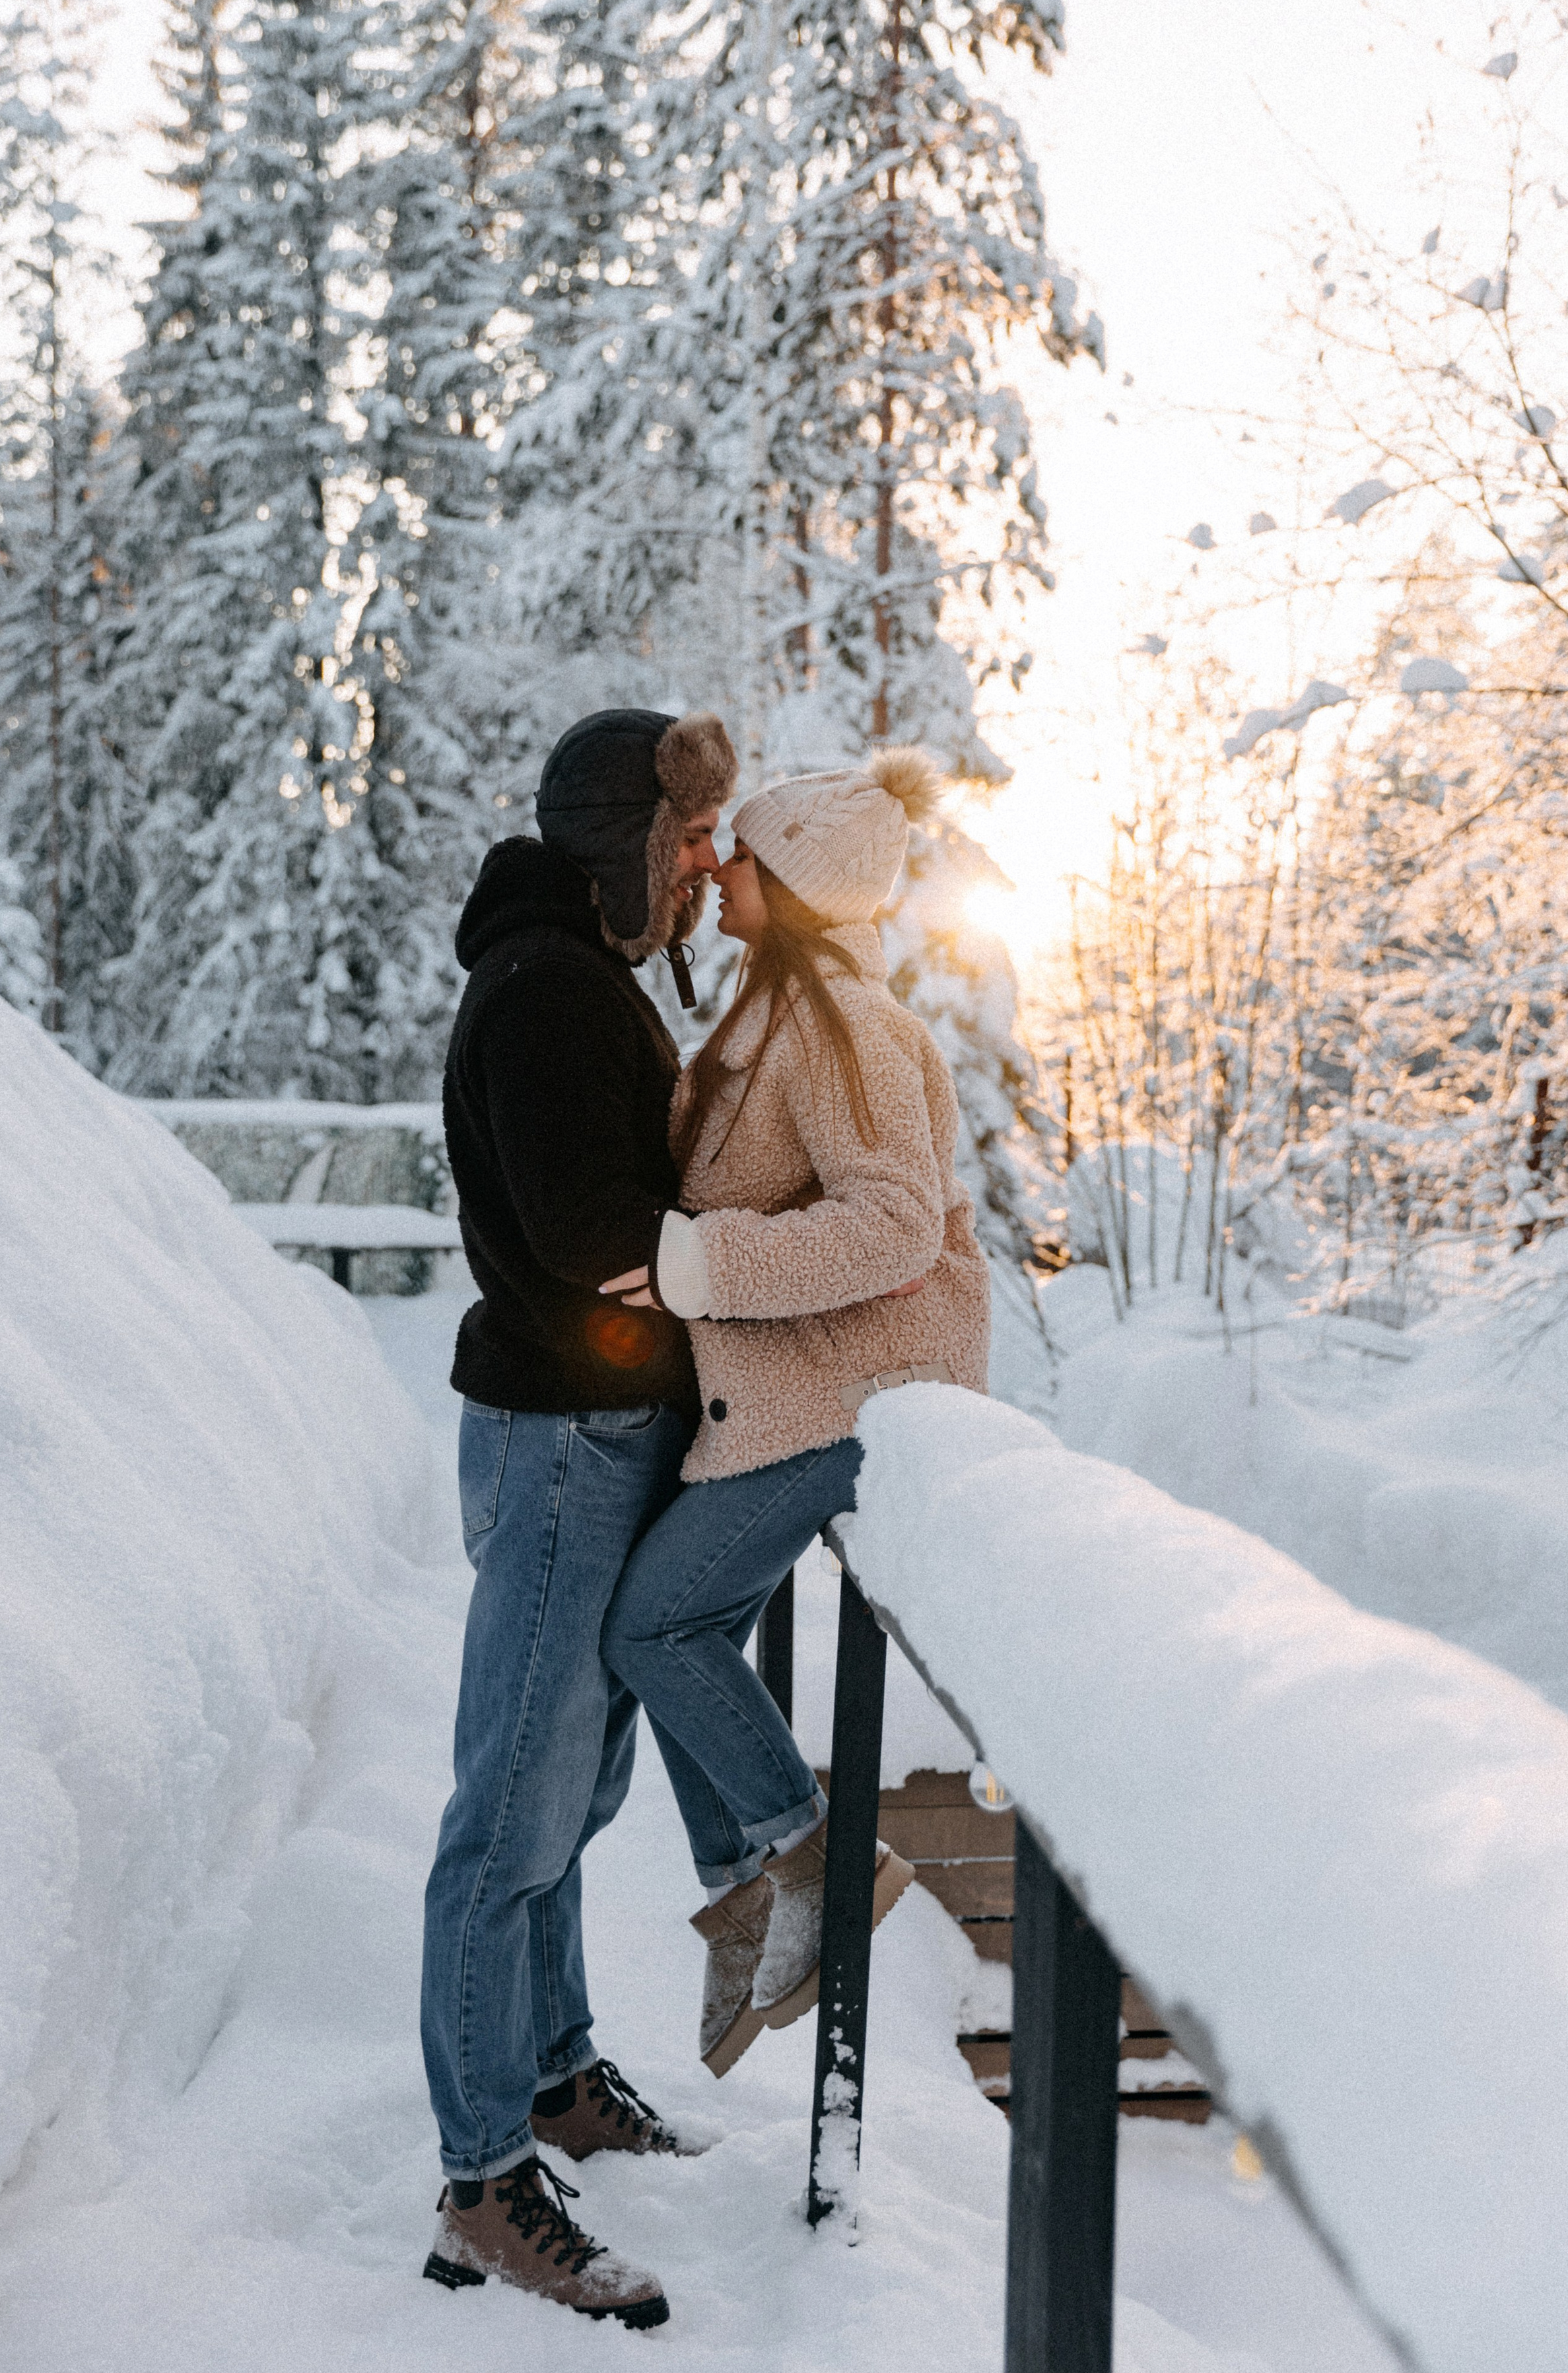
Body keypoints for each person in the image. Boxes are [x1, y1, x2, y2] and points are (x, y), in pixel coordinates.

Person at [596, 746, 991, 2079]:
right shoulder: (777, 1010)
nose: (716, 869)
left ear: (802, 884)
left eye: (744, 856)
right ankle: (748, 1896)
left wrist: (694, 1265)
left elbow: (891, 1226)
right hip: (792, 1389)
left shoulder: (842, 1025)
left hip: (856, 1394)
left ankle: (814, 1866)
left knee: (654, 1623)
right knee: (682, 1623)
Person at [421, 706, 737, 2327]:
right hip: (560, 1440)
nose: (705, 866)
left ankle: (549, 2081)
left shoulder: (580, 974)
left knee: (569, 1800)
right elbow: (590, 1233)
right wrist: (757, 1269)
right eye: (687, 837)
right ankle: (483, 2184)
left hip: (590, 1436)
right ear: (625, 837)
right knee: (508, 1825)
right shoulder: (546, 990)